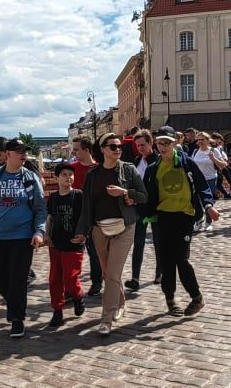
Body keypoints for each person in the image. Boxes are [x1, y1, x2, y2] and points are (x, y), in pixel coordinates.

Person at [73, 132, 147, 336]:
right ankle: (120, 303)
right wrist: (82, 231)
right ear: (103, 149)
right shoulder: (93, 174)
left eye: (119, 146)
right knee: (108, 274)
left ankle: (106, 319)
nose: (117, 150)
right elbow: (86, 205)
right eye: (113, 146)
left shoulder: (128, 169)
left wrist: (125, 192)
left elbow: (144, 196)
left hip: (124, 227)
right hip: (99, 229)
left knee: (113, 273)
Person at [141, 126, 218, 318]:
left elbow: (202, 186)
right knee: (166, 260)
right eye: (160, 143)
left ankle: (196, 297)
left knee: (181, 259)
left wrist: (208, 205)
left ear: (175, 143)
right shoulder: (153, 168)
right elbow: (146, 195)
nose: (163, 146)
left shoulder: (187, 163)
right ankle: (170, 300)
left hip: (184, 216)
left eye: (167, 143)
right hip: (163, 217)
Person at [0, 138, 47, 339]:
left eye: (25, 151)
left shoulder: (30, 178)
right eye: (18, 151)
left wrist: (39, 232)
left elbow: (40, 209)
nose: (23, 155)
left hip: (23, 237)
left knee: (17, 277)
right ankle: (15, 303)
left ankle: (17, 319)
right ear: (8, 154)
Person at [45, 162, 85, 327]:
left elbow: (85, 217)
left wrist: (83, 234)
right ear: (57, 178)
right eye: (64, 175)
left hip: (73, 244)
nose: (68, 177)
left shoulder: (79, 195)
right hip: (56, 244)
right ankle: (57, 310)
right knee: (55, 279)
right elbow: (50, 217)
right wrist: (46, 235)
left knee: (70, 278)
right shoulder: (53, 198)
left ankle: (78, 296)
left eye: (70, 174)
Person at [126, 129, 160, 291]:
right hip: (139, 208)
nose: (140, 148)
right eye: (138, 145)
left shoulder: (159, 160)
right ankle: (135, 278)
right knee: (138, 243)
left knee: (158, 242)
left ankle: (159, 273)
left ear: (150, 143)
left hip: (156, 207)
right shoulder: (137, 160)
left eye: (143, 145)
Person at [69, 136, 103, 297]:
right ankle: (71, 286)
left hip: (94, 216)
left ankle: (97, 281)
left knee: (95, 252)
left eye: (76, 150)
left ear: (87, 150)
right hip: (75, 216)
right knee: (73, 253)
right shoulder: (71, 169)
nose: (73, 152)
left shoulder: (98, 168)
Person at [189, 132, 227, 232]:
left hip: (210, 179)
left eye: (202, 139)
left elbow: (223, 165)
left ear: (208, 140)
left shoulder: (214, 151)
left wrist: (213, 158)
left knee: (208, 201)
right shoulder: (195, 151)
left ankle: (208, 222)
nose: (200, 142)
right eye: (198, 140)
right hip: (197, 180)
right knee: (196, 201)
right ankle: (199, 221)